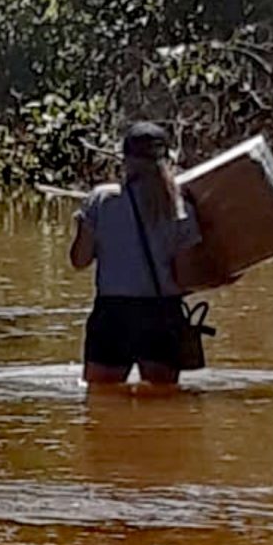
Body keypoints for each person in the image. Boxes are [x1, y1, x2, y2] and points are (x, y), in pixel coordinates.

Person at [69, 122, 201, 389]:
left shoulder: (100, 200)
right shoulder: (180, 207)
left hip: (112, 315)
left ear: (125, 159)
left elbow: (79, 261)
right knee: (163, 405)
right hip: (161, 315)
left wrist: (83, 224)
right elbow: (184, 276)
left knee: (102, 403)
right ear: (167, 160)